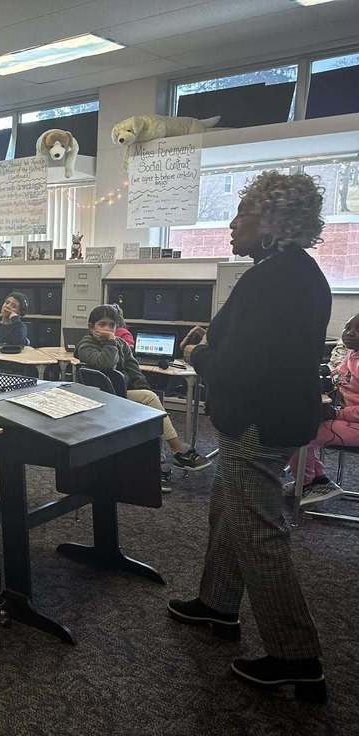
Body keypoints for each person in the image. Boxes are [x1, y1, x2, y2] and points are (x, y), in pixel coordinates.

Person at [172, 170, 330, 701]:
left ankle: (296, 656)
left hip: (256, 425)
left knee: (259, 532)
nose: (232, 225)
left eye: (242, 214)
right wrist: (217, 340)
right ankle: (217, 605)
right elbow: (261, 349)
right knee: (229, 510)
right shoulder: (297, 273)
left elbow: (239, 369)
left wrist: (197, 352)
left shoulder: (272, 279)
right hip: (274, 418)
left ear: (271, 222)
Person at [76, 304, 211, 471]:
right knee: (150, 399)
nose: (108, 329)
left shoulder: (121, 344)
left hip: (118, 394)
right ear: (91, 327)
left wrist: (145, 388)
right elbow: (106, 364)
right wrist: (110, 342)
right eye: (102, 324)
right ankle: (177, 449)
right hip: (100, 398)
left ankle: (156, 460)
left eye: (112, 325)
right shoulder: (86, 345)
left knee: (149, 399)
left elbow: (134, 370)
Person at [289, 312, 359, 506]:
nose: (349, 333)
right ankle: (318, 481)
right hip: (346, 416)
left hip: (353, 422)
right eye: (347, 327)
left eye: (358, 330)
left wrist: (337, 413)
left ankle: (306, 485)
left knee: (297, 433)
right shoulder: (352, 354)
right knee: (296, 422)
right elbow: (338, 376)